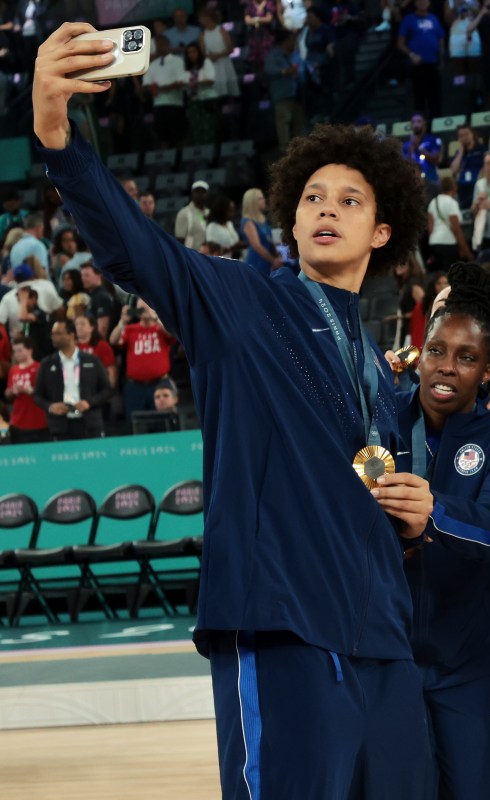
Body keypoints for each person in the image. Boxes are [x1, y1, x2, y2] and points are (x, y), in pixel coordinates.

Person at [34, 24, 435, 796]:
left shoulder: (383, 372)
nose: (328, 207)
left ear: (381, 232)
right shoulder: (238, 300)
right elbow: (130, 248)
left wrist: (412, 520)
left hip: (381, 632)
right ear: (290, 218)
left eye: (350, 199)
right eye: (313, 196)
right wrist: (58, 136)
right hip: (281, 619)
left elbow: (372, 480)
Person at [390, 267, 490, 800]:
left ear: (489, 371)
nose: (446, 368)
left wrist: (432, 511)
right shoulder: (379, 423)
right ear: (419, 352)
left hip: (478, 662)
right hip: (391, 660)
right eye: (436, 351)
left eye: (466, 357)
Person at [33, 319, 111, 440]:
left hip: (89, 423)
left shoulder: (91, 360)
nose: (53, 337)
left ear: (71, 335)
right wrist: (51, 406)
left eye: (58, 333)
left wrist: (89, 403)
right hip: (60, 426)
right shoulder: (47, 364)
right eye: (52, 334)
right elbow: (37, 395)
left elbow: (107, 390)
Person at [396, 0, 444, 118]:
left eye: (425, 1)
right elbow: (400, 44)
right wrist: (412, 55)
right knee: (419, 98)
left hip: (433, 64)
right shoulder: (408, 19)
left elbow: (441, 38)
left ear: (429, 3)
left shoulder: (434, 18)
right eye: (420, 1)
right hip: (417, 65)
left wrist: (442, 55)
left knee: (435, 97)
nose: (422, 3)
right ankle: (420, 127)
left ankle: (436, 125)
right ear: (415, 3)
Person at [143, 34, 188, 149]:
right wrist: (154, 89)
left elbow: (182, 80)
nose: (159, 47)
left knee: (180, 136)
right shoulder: (152, 65)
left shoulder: (178, 61)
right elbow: (146, 84)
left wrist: (167, 87)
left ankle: (184, 161)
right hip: (158, 105)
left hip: (175, 104)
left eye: (162, 44)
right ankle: (167, 163)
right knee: (163, 137)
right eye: (157, 44)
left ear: (168, 45)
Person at [265, 31, 306, 149]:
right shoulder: (273, 55)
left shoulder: (295, 55)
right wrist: (284, 72)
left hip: (298, 95)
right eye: (292, 39)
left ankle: (301, 150)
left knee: (299, 124)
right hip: (282, 94)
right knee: (283, 123)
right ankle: (285, 152)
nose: (294, 42)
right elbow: (269, 69)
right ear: (285, 41)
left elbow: (302, 69)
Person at [4, 335, 49, 443]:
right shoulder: (13, 370)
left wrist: (29, 390)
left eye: (20, 350)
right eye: (14, 351)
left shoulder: (40, 367)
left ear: (30, 350)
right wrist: (12, 391)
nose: (17, 354)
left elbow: (48, 391)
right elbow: (7, 392)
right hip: (18, 421)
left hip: (39, 420)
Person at [427, 175, 472, 271]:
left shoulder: (433, 202)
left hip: (434, 243)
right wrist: (466, 251)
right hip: (447, 243)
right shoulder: (451, 203)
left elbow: (430, 228)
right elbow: (456, 229)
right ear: (454, 187)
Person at [199, 8, 239, 102]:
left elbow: (230, 49)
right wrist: (208, 56)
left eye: (202, 18)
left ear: (208, 18)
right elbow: (203, 52)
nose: (200, 20)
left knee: (228, 96)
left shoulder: (222, 30)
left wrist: (219, 55)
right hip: (211, 67)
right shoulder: (202, 35)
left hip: (224, 64)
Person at [241, 188, 281, 273]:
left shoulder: (262, 219)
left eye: (263, 198)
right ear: (252, 202)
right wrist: (273, 260)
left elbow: (269, 239)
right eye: (260, 199)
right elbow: (257, 246)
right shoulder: (247, 221)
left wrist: (277, 254)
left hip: (268, 260)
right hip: (257, 261)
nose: (264, 200)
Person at [74, 311, 116, 389]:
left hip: (97, 388)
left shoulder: (102, 346)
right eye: (76, 324)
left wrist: (110, 390)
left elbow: (110, 370)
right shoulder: (72, 346)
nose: (78, 327)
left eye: (83, 324)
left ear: (92, 327)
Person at [79, 262, 116, 337]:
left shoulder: (101, 297)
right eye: (81, 275)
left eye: (87, 275)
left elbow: (102, 329)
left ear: (99, 275)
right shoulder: (93, 295)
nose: (83, 278)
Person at [175, 180, 209, 250]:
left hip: (208, 257)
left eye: (203, 191)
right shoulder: (183, 213)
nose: (200, 194)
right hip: (191, 257)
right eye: (197, 191)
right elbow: (179, 240)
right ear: (192, 193)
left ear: (207, 194)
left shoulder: (210, 213)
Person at [243, 0, 276, 70]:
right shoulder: (250, 4)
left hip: (266, 37)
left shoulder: (269, 3)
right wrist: (260, 20)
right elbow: (247, 20)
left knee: (267, 60)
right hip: (254, 38)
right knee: (255, 63)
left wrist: (256, 19)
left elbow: (268, 19)